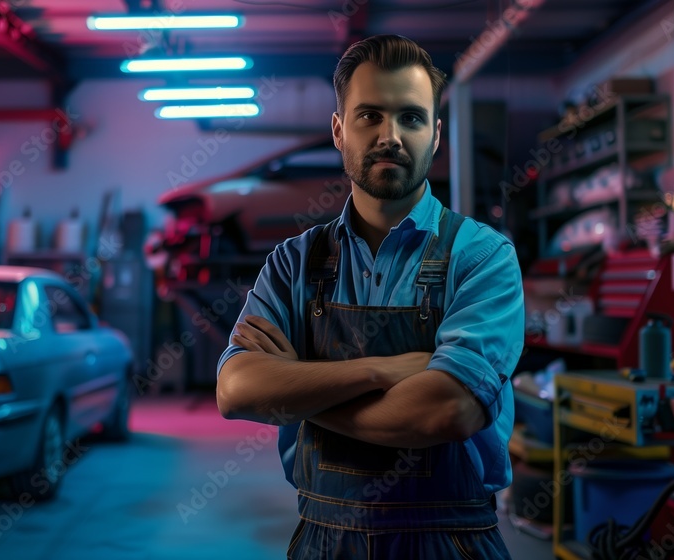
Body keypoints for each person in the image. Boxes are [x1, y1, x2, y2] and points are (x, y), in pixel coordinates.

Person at [216, 34, 524, 559]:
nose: (391, 136)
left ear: (436, 134)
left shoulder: (482, 257)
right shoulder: (294, 264)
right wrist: (383, 371)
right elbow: (237, 391)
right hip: (322, 540)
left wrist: (299, 396)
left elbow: (446, 411)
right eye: (369, 116)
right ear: (339, 131)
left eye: (411, 117)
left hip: (450, 542)